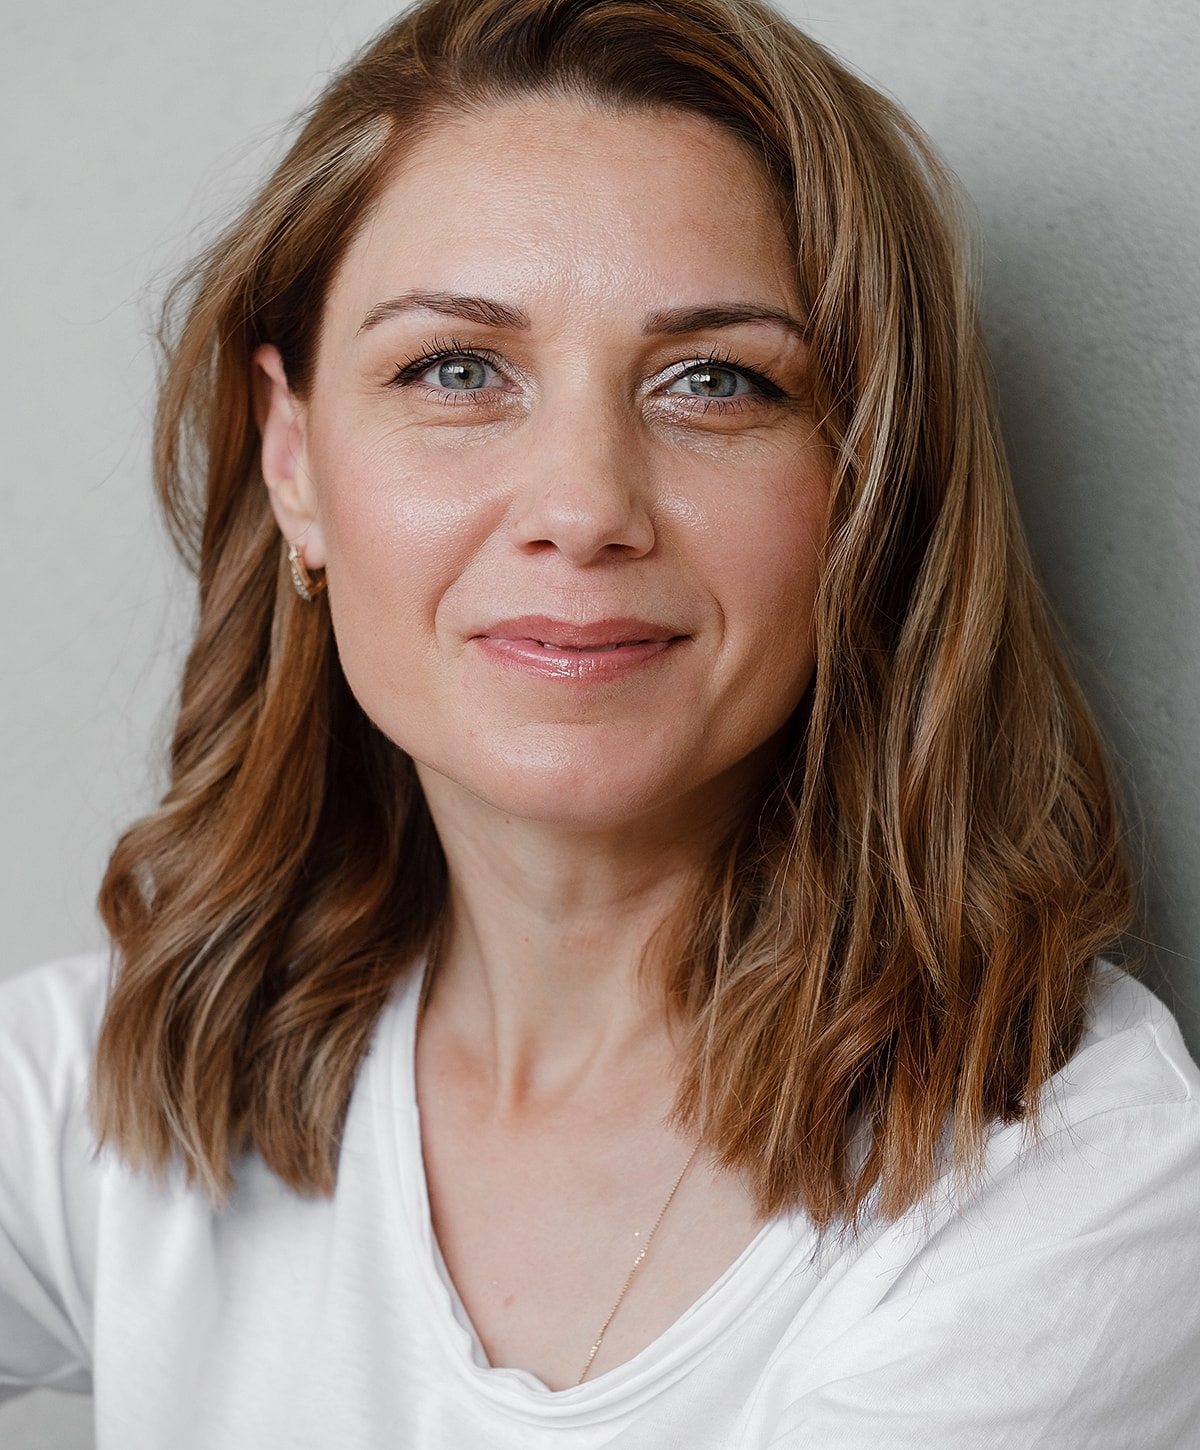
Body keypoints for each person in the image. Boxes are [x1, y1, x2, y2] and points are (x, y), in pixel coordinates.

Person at [2, 0, 1198, 1443]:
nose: (582, 507)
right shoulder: (111, 1079)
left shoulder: (1076, 1176)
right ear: (295, 457)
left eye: (717, 381)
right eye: (455, 369)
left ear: (871, 491)